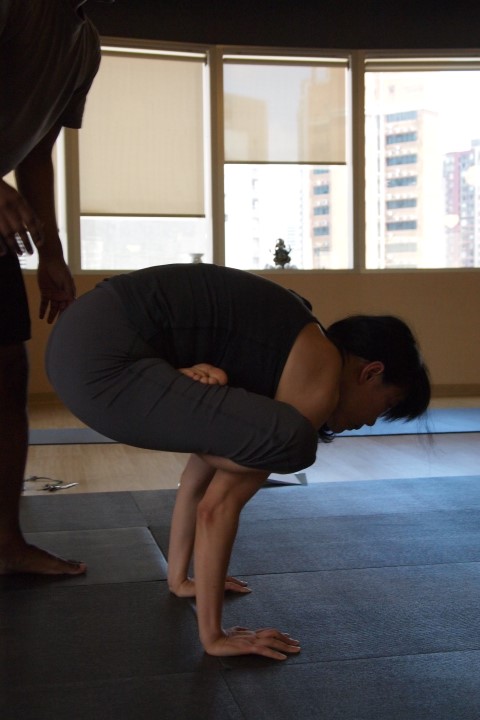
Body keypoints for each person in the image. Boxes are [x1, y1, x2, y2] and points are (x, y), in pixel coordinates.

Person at [45, 262, 431, 660]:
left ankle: (178, 577)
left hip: (78, 348)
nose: (371, 421)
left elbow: (196, 481)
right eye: (385, 405)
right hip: (100, 362)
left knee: (258, 436)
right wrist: (215, 636)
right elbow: (217, 508)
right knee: (292, 443)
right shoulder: (318, 378)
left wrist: (181, 580)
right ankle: (211, 633)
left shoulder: (288, 346)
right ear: (371, 373)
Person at [0, 0, 113, 576]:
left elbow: (37, 155)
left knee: (7, 376)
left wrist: (52, 254)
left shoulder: (84, 46)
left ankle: (6, 544)